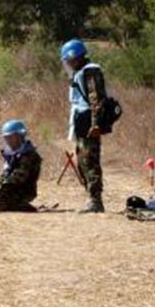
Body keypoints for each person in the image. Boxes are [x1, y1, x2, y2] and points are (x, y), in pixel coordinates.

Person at [61, 39, 107, 213]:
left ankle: (96, 200)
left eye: (68, 60)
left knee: (90, 161)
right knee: (82, 162)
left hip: (89, 123)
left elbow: (96, 99)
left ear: (75, 57)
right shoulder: (80, 72)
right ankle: (91, 197)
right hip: (82, 122)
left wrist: (96, 124)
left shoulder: (90, 72)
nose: (67, 64)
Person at [0, 120, 42, 213]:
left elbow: (18, 178)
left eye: (11, 137)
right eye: (6, 138)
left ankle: (22, 205)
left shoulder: (29, 155)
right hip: (10, 189)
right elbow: (5, 174)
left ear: (20, 136)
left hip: (24, 191)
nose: (8, 141)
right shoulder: (12, 154)